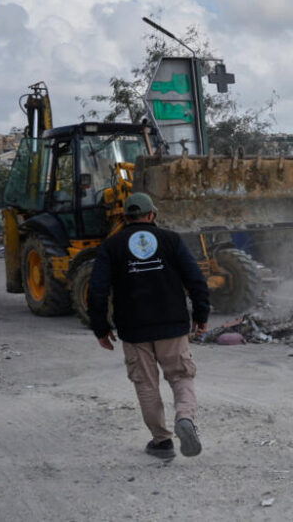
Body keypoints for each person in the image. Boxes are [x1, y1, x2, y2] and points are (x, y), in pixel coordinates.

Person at [89, 192, 210, 459]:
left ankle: (162, 441)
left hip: (134, 329)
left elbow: (97, 289)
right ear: (152, 215)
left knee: (146, 384)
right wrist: (201, 315)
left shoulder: (111, 246)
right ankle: (185, 419)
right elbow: (196, 280)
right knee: (181, 376)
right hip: (172, 324)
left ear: (124, 217)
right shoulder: (171, 240)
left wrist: (101, 328)